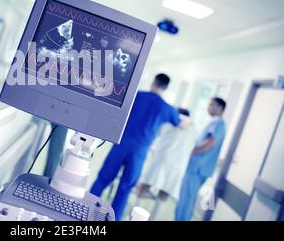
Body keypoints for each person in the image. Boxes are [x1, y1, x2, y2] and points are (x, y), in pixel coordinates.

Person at [90, 73, 190, 220]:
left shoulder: (136, 96)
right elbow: (181, 124)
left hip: (121, 145)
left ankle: (85, 208)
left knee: (103, 179)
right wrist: (188, 121)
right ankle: (114, 218)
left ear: (154, 82)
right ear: (166, 88)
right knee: (125, 188)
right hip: (139, 152)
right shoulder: (166, 108)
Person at [136, 108, 200, 220]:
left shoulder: (169, 123)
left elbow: (156, 135)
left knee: (144, 187)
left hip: (162, 159)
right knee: (164, 195)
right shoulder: (194, 130)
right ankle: (153, 219)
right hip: (178, 166)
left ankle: (136, 216)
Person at [175, 97, 227, 221]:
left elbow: (211, 143)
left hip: (197, 168)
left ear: (220, 108)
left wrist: (192, 152)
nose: (208, 107)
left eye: (211, 104)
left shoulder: (218, 122)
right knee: (186, 199)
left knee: (186, 201)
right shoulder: (216, 122)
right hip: (198, 168)